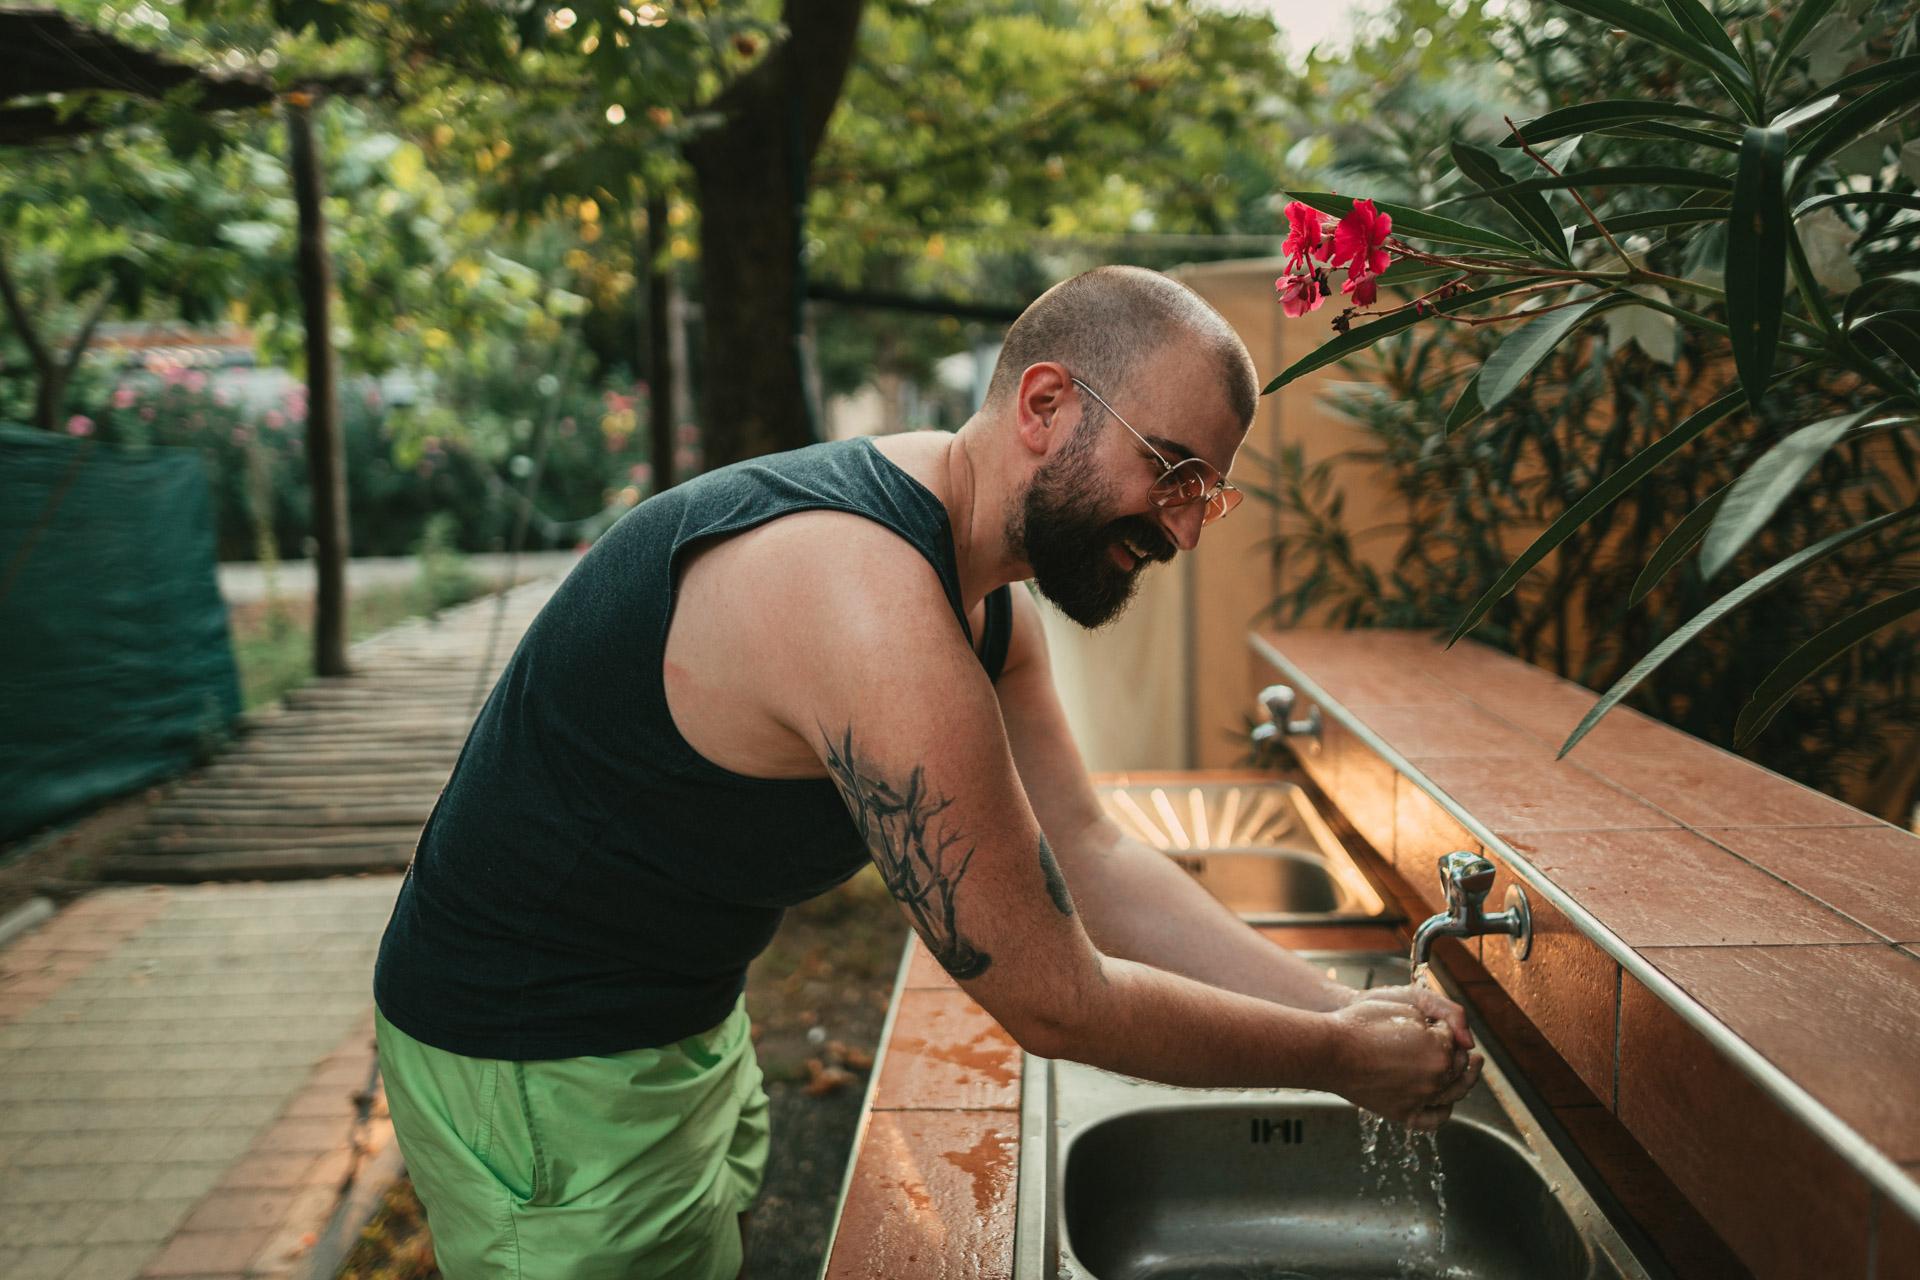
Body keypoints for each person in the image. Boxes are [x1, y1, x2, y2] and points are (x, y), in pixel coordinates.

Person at [371, 265, 1482, 1279]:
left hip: (677, 1023)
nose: (1187, 532)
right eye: (1174, 471)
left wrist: (1347, 1008)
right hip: (529, 1058)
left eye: (1209, 493)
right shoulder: (869, 604)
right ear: (1045, 406)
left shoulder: (982, 600)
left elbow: (1091, 857)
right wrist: (1339, 1056)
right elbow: (1054, 997)